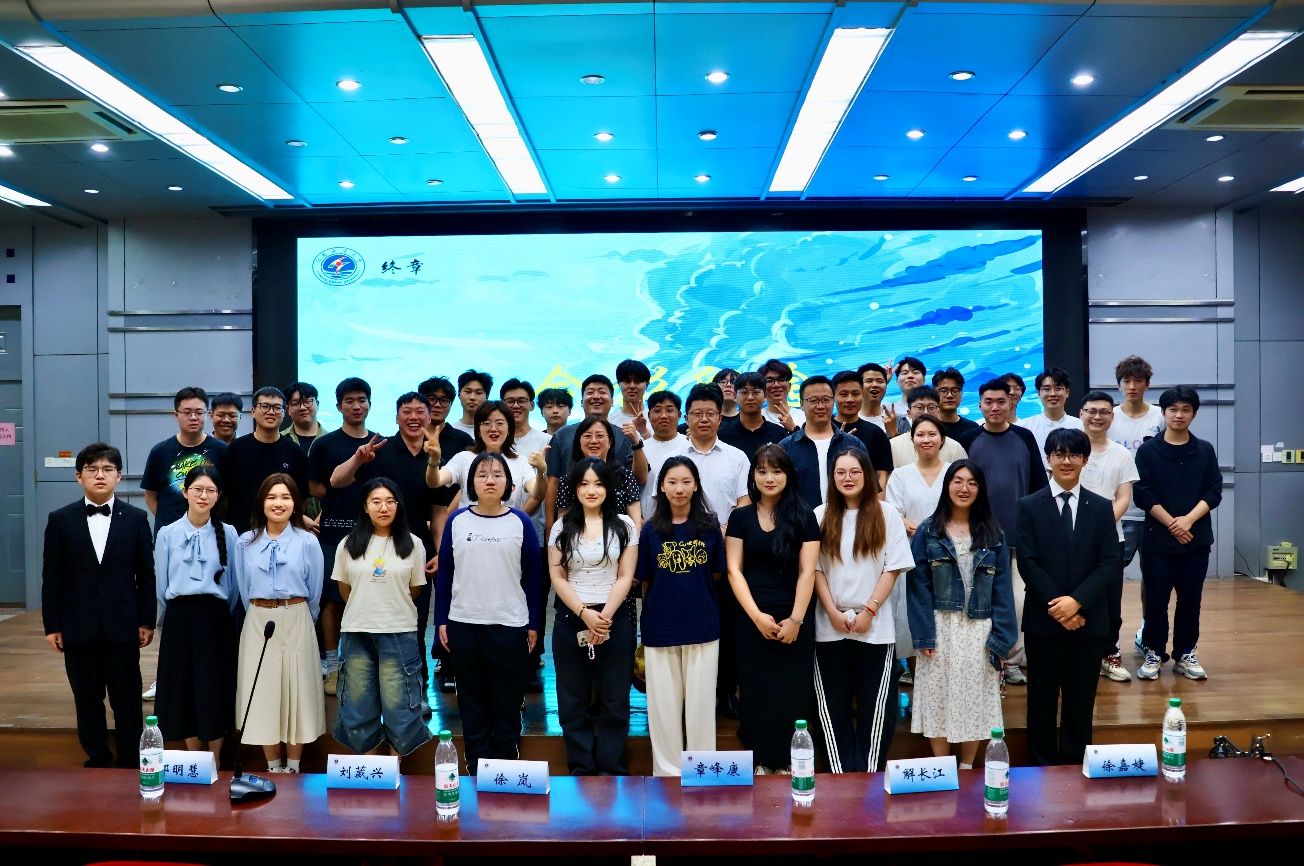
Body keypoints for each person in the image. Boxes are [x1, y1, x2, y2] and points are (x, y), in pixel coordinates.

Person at [42, 443, 155, 768]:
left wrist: (146, 620)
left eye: (107, 469)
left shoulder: (136, 518)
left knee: (127, 697)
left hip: (123, 623)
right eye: (92, 469)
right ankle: (97, 758)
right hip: (78, 625)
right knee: (86, 696)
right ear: (79, 476)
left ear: (119, 475)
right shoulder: (60, 520)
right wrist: (53, 625)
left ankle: (130, 759)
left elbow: (146, 575)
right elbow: (52, 578)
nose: (100, 475)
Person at [1015, 429, 1123, 766]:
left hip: (1088, 621)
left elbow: (1110, 562)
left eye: (1074, 454)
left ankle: (1076, 768)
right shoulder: (1028, 506)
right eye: (1059, 454)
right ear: (1048, 459)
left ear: (1085, 460)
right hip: (1043, 620)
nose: (1066, 460)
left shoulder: (1101, 507)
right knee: (1041, 700)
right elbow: (1028, 562)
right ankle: (1040, 766)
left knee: (1081, 701)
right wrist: (1059, 606)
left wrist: (1077, 603)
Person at [331, 393, 442, 707]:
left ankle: (415, 694)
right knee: (367, 625)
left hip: (413, 550)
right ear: (396, 417)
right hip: (371, 547)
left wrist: (439, 549)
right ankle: (372, 696)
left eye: (420, 411)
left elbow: (439, 510)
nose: (413, 417)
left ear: (429, 417)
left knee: (415, 624)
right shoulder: (380, 449)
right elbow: (336, 481)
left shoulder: (435, 454)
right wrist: (358, 459)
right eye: (406, 411)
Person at [906, 460, 1017, 769]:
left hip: (979, 628)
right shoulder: (929, 530)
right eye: (957, 481)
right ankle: (942, 768)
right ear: (947, 486)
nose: (964, 488)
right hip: (939, 625)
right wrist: (924, 634)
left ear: (980, 489)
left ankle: (967, 766)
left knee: (974, 698)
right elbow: (917, 587)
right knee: (938, 696)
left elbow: (1003, 590)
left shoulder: (993, 534)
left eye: (972, 482)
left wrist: (1002, 638)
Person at [436, 452, 542, 769]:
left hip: (510, 624)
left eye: (497, 474)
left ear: (509, 483)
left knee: (507, 701)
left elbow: (533, 578)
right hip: (464, 623)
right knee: (472, 702)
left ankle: (505, 766)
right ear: (471, 483)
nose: (490, 480)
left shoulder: (520, 521)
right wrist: (441, 620)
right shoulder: (457, 520)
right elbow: (446, 574)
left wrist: (533, 623)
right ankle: (477, 765)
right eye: (482, 475)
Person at [813, 450, 914, 773]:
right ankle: (840, 778)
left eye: (855, 471)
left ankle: (867, 778)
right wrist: (832, 611)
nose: (848, 478)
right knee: (832, 708)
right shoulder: (820, 515)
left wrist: (869, 610)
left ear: (867, 475)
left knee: (877, 709)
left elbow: (892, 568)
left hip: (875, 627)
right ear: (832, 478)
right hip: (830, 626)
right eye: (840, 472)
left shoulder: (887, 514)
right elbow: (815, 570)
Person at [725, 444, 820, 773]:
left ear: (788, 475)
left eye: (777, 471)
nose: (769, 478)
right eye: (762, 471)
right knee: (756, 689)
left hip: (795, 616)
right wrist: (756, 617)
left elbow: (808, 571)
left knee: (792, 690)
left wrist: (796, 619)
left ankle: (789, 761)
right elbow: (734, 570)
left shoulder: (804, 515)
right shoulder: (740, 517)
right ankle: (761, 759)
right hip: (751, 616)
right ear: (753, 476)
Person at [636, 457, 726, 776]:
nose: (679, 489)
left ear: (696, 485)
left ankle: (702, 772)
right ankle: (667, 775)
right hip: (660, 628)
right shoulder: (650, 530)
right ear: (661, 486)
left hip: (703, 626)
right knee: (664, 708)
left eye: (686, 482)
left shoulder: (710, 526)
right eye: (672, 482)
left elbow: (716, 574)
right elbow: (645, 580)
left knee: (701, 707)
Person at [549, 457, 638, 775]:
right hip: (572, 616)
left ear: (608, 488)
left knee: (615, 698)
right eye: (584, 483)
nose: (591, 490)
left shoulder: (625, 524)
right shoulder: (562, 526)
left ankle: (613, 767)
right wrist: (585, 613)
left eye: (598, 484)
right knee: (572, 699)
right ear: (575, 488)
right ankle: (581, 768)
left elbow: (626, 576)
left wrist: (605, 616)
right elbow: (557, 576)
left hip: (615, 616)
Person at [956, 379, 1048, 686]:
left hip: (1019, 538)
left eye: (1001, 402)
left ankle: (1012, 660)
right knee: (980, 600)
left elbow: (1039, 486)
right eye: (989, 402)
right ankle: (983, 662)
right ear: (980, 405)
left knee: (1017, 603)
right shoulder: (969, 440)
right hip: (979, 536)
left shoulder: (1024, 437)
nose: (995, 407)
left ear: (1011, 403)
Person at [331, 478, 431, 758]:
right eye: (376, 501)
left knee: (401, 710)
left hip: (399, 631)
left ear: (399, 505)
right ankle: (371, 774)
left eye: (390, 501)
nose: (383, 508)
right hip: (357, 631)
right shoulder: (348, 544)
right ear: (365, 507)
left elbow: (415, 590)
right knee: (358, 710)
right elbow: (345, 590)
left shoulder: (414, 544)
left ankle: (393, 774)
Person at [234, 474, 325, 773]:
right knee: (264, 692)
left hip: (297, 616)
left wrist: (299, 615)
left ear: (295, 503)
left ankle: (294, 766)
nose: (278, 503)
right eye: (272, 497)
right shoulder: (245, 542)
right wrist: (261, 610)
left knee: (297, 690)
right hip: (258, 620)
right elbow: (242, 588)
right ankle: (273, 766)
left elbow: (315, 591)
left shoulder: (307, 541)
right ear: (261, 502)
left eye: (285, 497)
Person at [1133, 386, 1223, 681]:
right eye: (1173, 409)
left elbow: (1214, 491)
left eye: (1186, 410)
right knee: (1156, 601)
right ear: (1163, 413)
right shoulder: (1148, 451)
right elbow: (1143, 493)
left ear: (1194, 414)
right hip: (1158, 540)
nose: (1179, 415)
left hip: (1195, 540)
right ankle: (1154, 652)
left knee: (1191, 600)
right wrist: (1173, 523)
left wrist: (1188, 521)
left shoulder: (1205, 450)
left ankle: (1185, 653)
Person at [153, 465, 240, 759]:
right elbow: (161, 585)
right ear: (185, 492)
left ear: (218, 496)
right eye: (197, 489)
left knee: (214, 686)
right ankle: (196, 758)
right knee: (184, 686)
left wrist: (216, 611)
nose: (203, 496)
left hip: (215, 620)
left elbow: (234, 585)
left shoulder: (229, 533)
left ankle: (215, 757)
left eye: (210, 491)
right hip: (180, 618)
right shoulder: (167, 533)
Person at [308, 377, 376, 696]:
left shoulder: (380, 443)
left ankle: (363, 666)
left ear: (369, 404)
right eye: (349, 401)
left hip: (372, 536)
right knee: (332, 602)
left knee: (367, 599)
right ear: (338, 406)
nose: (356, 406)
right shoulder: (325, 445)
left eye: (361, 400)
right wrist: (338, 498)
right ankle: (333, 667)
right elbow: (314, 486)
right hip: (332, 534)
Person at [884, 414, 953, 681]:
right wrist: (909, 525)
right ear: (912, 439)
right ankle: (917, 685)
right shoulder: (900, 475)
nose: (926, 439)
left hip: (950, 553)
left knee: (947, 617)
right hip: (913, 553)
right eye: (920, 434)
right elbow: (893, 513)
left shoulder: (954, 472)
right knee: (911, 618)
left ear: (942, 439)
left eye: (932, 434)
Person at [1077, 391, 1140, 683]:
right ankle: (1079, 653)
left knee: (1110, 601)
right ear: (1081, 414)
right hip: (1070, 539)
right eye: (1091, 411)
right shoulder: (1069, 448)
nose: (1097, 417)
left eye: (1104, 412)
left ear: (1112, 417)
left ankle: (1108, 653)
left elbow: (1124, 497)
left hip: (1110, 539)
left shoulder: (1121, 454)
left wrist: (1099, 526)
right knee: (1075, 597)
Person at [418, 375, 474, 694]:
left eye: (444, 400)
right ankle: (419, 678)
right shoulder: (405, 436)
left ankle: (450, 663)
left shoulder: (461, 441)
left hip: (449, 530)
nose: (437, 405)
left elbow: (459, 493)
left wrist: (444, 546)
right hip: (412, 532)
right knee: (416, 610)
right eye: (431, 399)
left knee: (453, 599)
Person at [501, 378, 553, 691]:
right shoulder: (496, 439)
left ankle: (532, 661)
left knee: (534, 597)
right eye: (510, 400)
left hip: (535, 535)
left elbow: (548, 487)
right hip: (496, 539)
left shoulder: (545, 440)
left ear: (532, 404)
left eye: (522, 400)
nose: (516, 405)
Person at [1109, 355, 1164, 653]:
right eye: (1126, 381)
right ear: (1119, 385)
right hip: (1119, 513)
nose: (1132, 386)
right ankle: (1110, 640)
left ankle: (1147, 633)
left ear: (1147, 384)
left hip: (1154, 513)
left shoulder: (1159, 417)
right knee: (1110, 578)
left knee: (1154, 579)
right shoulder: (1110, 417)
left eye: (1138, 381)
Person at [546, 375, 640, 532]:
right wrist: (550, 527)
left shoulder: (624, 435)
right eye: (590, 392)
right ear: (581, 402)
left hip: (618, 532)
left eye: (602, 392)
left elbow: (638, 480)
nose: (596, 396)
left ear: (612, 401)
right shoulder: (562, 435)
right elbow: (553, 482)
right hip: (576, 532)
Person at [424, 400, 547, 516]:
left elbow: (538, 494)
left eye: (500, 423)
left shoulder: (520, 462)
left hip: (508, 528)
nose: (493, 429)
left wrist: (542, 470)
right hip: (469, 528)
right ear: (478, 430)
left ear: (509, 429)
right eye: (487, 423)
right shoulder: (463, 458)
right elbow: (434, 482)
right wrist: (434, 460)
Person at [142, 386, 228, 537]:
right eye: (187, 412)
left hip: (212, 532)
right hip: (171, 533)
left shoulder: (222, 450)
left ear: (207, 414)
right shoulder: (160, 451)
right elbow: (150, 496)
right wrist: (170, 524)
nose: (193, 417)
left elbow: (228, 493)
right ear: (176, 415)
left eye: (199, 412)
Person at [220, 386, 309, 534]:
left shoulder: (295, 452)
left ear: (284, 412)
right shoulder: (235, 449)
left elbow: (302, 497)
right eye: (265, 406)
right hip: (240, 532)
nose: (271, 412)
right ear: (253, 411)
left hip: (282, 533)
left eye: (277, 407)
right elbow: (223, 494)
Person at [778, 376, 867, 510]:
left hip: (847, 519)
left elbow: (868, 488)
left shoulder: (854, 444)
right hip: (801, 522)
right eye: (813, 400)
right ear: (801, 404)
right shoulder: (785, 448)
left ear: (833, 401)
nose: (820, 406)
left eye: (826, 400)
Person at [553, 417, 643, 528]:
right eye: (587, 436)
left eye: (600, 436)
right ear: (579, 442)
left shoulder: (624, 476)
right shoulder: (568, 480)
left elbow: (636, 522)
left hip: (619, 536)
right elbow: (562, 522)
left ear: (610, 442)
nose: (594, 441)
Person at [831, 369, 892, 491]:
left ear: (863, 395)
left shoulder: (876, 433)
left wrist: (878, 501)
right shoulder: (824, 429)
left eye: (855, 394)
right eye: (843, 394)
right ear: (833, 397)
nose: (850, 399)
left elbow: (881, 475)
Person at [889, 385, 968, 470]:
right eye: (919, 407)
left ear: (938, 411)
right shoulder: (893, 445)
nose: (926, 412)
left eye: (931, 407)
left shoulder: (955, 448)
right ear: (909, 412)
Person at [1020, 367, 1084, 470]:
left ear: (1067, 392)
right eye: (1046, 389)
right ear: (1038, 393)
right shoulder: (1025, 427)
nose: (1053, 394)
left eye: (1058, 388)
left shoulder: (1080, 426)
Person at [638, 390, 687, 522]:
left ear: (679, 415)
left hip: (685, 522)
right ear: (649, 416)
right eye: (657, 411)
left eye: (670, 410)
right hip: (647, 522)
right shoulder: (639, 449)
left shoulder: (690, 445)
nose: (663, 416)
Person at [718, 371, 787, 458]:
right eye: (744, 392)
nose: (750, 397)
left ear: (765, 395)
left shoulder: (780, 434)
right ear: (735, 396)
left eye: (756, 392)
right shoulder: (722, 435)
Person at [759, 358, 805, 432]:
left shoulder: (804, 417)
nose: (776, 385)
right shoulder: (756, 418)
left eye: (781, 379)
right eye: (769, 380)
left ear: (790, 386)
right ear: (762, 388)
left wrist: (793, 428)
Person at [932, 367, 980, 439]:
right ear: (934, 393)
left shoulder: (973, 428)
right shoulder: (927, 427)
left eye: (955, 390)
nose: (949, 395)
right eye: (944, 391)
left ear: (961, 394)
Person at [282, 381, 326, 454]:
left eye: (307, 401)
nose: (302, 407)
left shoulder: (333, 440)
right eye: (296, 403)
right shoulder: (279, 440)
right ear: (288, 409)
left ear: (317, 404)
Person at [610, 358, 652, 432]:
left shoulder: (656, 419)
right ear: (618, 384)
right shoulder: (609, 421)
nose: (632, 386)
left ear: (647, 385)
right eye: (627, 381)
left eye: (638, 381)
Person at [890, 358, 927, 432]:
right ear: (897, 381)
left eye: (915, 372)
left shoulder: (934, 408)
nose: (910, 376)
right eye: (904, 373)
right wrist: (884, 380)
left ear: (924, 380)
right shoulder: (889, 409)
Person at [452, 369, 493, 437]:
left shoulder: (493, 432)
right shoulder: (450, 430)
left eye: (478, 393)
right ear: (459, 394)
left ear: (487, 397)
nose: (472, 397)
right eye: (468, 392)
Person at [857, 362, 896, 433]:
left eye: (880, 381)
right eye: (869, 381)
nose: (875, 385)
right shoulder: (850, 418)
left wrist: (893, 433)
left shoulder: (895, 417)